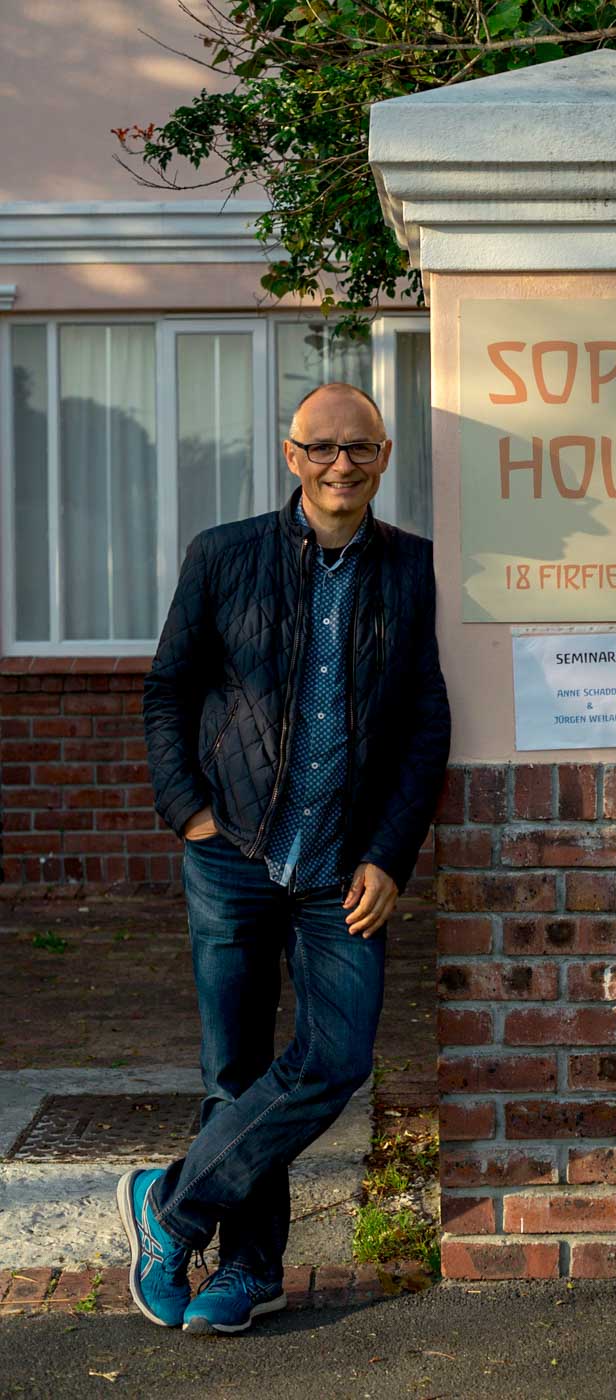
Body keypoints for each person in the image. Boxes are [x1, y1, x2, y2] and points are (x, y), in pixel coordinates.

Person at [124, 381, 450, 1335]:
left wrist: (392, 857)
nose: (340, 464)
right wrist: (187, 813)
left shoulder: (411, 569)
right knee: (238, 1070)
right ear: (290, 455)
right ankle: (248, 1271)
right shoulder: (225, 555)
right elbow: (167, 692)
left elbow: (425, 724)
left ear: (384, 458)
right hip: (231, 853)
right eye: (322, 448)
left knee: (337, 1056)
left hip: (344, 868)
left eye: (360, 448)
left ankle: (171, 1202)